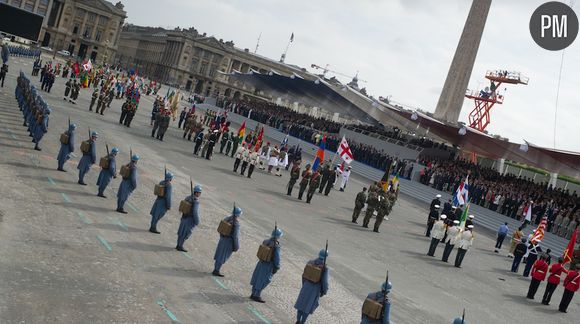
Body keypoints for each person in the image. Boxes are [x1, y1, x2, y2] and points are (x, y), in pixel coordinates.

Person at [294, 250, 330, 324]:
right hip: (315, 289)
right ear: (326, 257)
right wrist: (324, 291)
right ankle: (302, 322)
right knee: (308, 307)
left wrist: (304, 284)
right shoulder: (324, 268)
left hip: (306, 285)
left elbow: (304, 275)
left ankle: (298, 320)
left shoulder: (310, 262)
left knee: (301, 304)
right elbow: (325, 282)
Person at [250, 227, 283, 303]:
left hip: (261, 263)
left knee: (257, 277)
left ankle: (253, 293)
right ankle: (257, 295)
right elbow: (277, 258)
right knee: (263, 280)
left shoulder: (265, 241)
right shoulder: (276, 246)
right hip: (268, 265)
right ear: (278, 236)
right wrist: (277, 267)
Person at [212, 206, 242, 277]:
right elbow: (235, 236)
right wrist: (236, 246)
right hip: (228, 242)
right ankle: (216, 270)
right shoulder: (236, 223)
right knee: (222, 256)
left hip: (222, 239)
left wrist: (222, 236)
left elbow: (221, 228)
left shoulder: (227, 218)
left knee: (219, 254)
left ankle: (215, 269)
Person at [176, 185, 202, 252]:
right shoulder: (196, 201)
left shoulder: (187, 197)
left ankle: (178, 244)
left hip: (184, 217)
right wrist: (197, 222)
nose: (200, 194)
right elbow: (195, 212)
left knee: (181, 232)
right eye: (199, 192)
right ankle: (180, 246)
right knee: (186, 233)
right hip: (190, 220)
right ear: (196, 193)